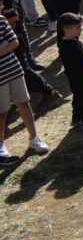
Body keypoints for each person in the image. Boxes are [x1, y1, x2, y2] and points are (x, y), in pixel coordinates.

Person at [0, 15, 49, 165]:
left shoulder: (1, 20)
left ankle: (34, 138)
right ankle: (0, 145)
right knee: (2, 111)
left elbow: (14, 42)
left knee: (24, 103)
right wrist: (4, 45)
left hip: (14, 70)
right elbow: (9, 43)